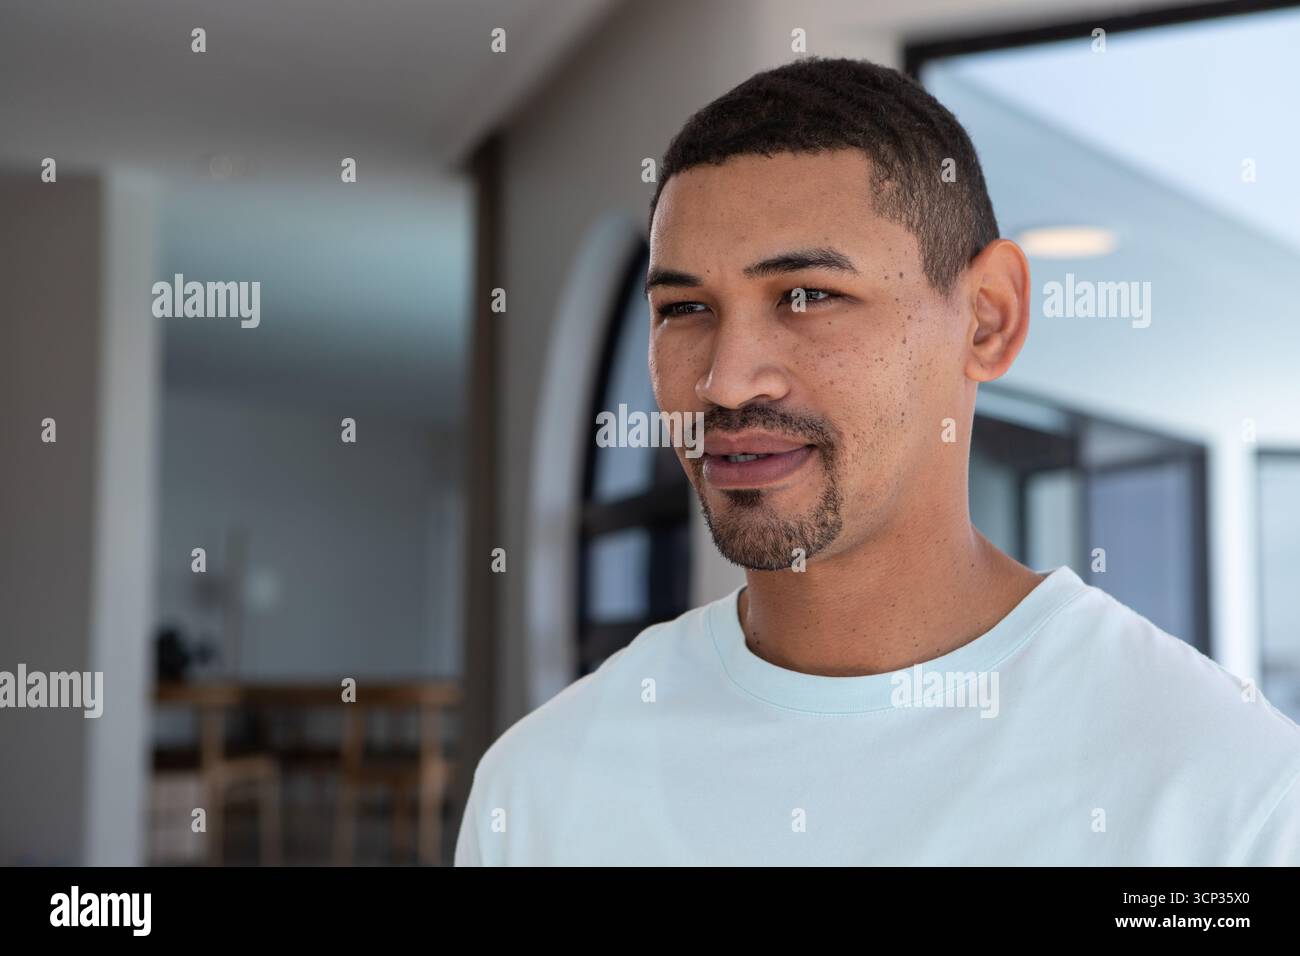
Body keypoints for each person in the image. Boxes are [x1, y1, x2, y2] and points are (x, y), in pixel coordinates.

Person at [455, 56, 1300, 865]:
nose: (725, 379)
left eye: (808, 295)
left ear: (988, 320)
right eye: (684, 307)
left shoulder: (1228, 793)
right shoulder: (540, 789)